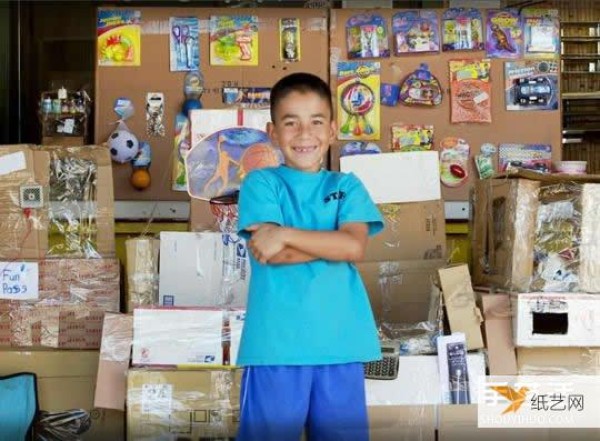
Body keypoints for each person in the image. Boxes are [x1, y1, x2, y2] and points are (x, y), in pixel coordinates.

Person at [236, 72, 384, 441]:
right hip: (276, 344)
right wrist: (329, 243)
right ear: (273, 132)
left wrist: (284, 232)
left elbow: (353, 247)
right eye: (291, 123)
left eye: (316, 122)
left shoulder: (346, 185)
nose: (305, 134)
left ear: (332, 130)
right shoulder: (262, 183)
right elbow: (272, 254)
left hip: (341, 343)